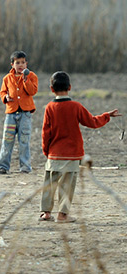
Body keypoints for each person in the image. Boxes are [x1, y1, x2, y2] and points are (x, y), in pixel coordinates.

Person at [39, 71, 120, 223]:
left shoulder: (49, 107)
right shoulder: (76, 106)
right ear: (70, 87)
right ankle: (63, 215)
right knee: (67, 185)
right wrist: (106, 116)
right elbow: (92, 122)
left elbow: (46, 132)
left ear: (51, 89)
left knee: (49, 183)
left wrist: (46, 150)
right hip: (72, 154)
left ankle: (46, 212)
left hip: (54, 154)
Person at [0, 50, 38, 174]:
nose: (20, 65)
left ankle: (25, 166)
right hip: (11, 113)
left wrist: (26, 80)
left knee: (24, 140)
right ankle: (2, 166)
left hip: (25, 113)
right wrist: (5, 98)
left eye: (23, 62)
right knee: (7, 140)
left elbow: (32, 91)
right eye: (17, 63)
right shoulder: (7, 78)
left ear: (26, 64)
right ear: (12, 64)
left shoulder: (31, 76)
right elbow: (2, 92)